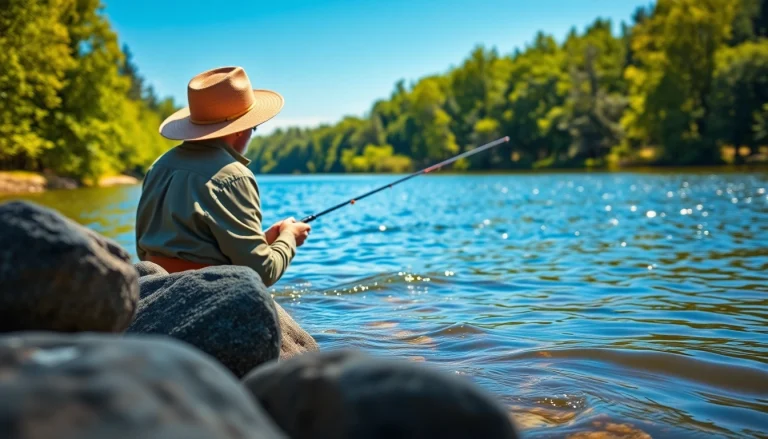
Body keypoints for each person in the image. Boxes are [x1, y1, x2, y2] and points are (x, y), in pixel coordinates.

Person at [135, 66, 310, 287]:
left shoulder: (158, 167)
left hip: (154, 288)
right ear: (240, 129)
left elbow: (147, 250)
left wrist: (264, 242)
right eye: (253, 127)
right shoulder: (234, 176)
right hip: (206, 296)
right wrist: (289, 238)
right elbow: (263, 273)